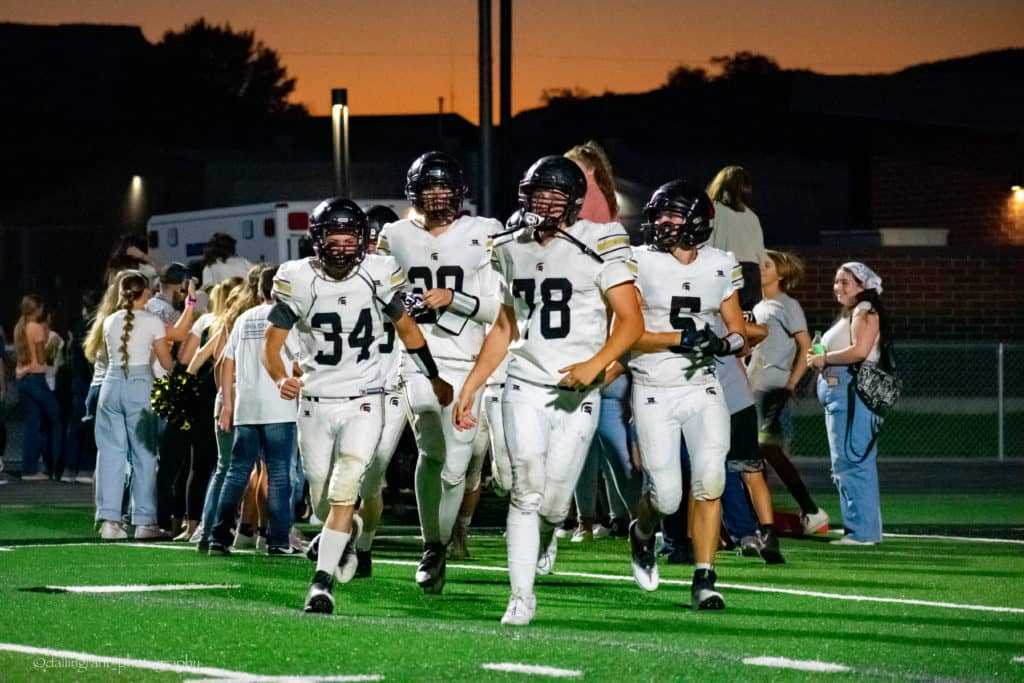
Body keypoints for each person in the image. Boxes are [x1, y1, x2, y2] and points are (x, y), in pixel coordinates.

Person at [454, 155, 644, 626]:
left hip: (577, 391)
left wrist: (596, 365)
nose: (543, 203)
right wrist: (473, 385)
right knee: (525, 489)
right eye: (537, 193)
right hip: (525, 382)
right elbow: (504, 325)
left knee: (556, 502)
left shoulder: (599, 242)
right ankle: (521, 596)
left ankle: (552, 529)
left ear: (574, 202)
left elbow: (632, 320)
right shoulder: (509, 247)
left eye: (554, 195)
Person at [266, 198, 452, 614]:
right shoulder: (296, 278)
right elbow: (273, 343)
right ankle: (345, 533)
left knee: (347, 488)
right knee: (320, 503)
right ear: (316, 238)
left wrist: (433, 374)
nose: (342, 245)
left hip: (367, 398)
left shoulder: (379, 274)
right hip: (315, 401)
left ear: (364, 240)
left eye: (350, 236)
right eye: (334, 235)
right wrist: (282, 377)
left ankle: (321, 583)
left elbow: (407, 326)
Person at [377, 152, 502, 594]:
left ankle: (441, 542)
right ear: (414, 192)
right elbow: (377, 297)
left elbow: (495, 310)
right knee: (432, 446)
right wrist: (396, 306)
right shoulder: (393, 235)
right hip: (416, 361)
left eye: (443, 186)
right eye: (427, 187)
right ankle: (432, 547)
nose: (436, 195)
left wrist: (454, 299)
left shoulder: (484, 233)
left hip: (467, 361)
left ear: (459, 190)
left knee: (456, 469)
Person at [627, 179, 747, 611]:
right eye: (658, 214)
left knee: (711, 479)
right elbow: (626, 335)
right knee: (666, 497)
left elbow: (738, 333)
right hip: (655, 386)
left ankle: (705, 578)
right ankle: (642, 533)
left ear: (696, 222)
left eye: (672, 215)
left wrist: (722, 345)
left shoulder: (719, 264)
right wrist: (679, 338)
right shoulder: (637, 261)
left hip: (702, 385)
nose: (662, 222)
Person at [564, 141, 641, 543]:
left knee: (601, 447)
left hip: (596, 350)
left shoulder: (589, 205)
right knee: (601, 449)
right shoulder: (609, 206)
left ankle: (599, 521)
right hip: (602, 349)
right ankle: (617, 520)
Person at [94, 271, 196, 540]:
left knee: (110, 456)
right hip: (140, 386)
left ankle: (109, 521)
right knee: (144, 456)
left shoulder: (110, 321)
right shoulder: (151, 321)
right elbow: (165, 362)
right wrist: (191, 304)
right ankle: (144, 522)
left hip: (111, 385)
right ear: (146, 293)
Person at [209, 265, 301, 556]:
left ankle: (218, 537)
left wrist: (227, 403)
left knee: (237, 474)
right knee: (279, 476)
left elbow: (226, 362)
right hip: (279, 407)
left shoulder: (244, 319)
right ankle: (277, 541)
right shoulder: (288, 318)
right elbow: (299, 362)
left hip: (247, 408)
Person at [806, 262, 889, 546]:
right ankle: (862, 528)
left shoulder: (864, 310)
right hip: (842, 394)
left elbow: (859, 351)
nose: (838, 287)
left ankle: (862, 532)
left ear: (862, 286)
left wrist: (824, 359)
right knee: (848, 461)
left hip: (851, 393)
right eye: (837, 281)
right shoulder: (854, 312)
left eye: (845, 282)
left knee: (852, 461)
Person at [750, 250, 828, 534]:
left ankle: (810, 509)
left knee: (767, 449)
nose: (761, 268)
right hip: (753, 387)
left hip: (773, 389)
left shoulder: (787, 305)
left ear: (780, 274)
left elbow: (805, 345)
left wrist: (791, 384)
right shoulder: (759, 304)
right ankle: (760, 513)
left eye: (767, 265)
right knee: (756, 452)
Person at [352, 205, 407, 577]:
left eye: (378, 241)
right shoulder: (343, 278)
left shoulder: (406, 278)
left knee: (371, 477)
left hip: (391, 385)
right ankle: (339, 534)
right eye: (369, 241)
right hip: (349, 386)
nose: (373, 248)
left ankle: (364, 545)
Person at [13, 294, 61, 480]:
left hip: (22, 378)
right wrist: (53, 344)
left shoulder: (20, 326)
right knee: (56, 418)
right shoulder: (37, 328)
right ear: (38, 309)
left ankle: (29, 469)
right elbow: (42, 359)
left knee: (31, 425)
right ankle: (56, 465)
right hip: (36, 378)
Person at [707, 166, 765, 312]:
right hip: (752, 274)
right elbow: (761, 255)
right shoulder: (752, 216)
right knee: (749, 323)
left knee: (724, 323)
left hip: (726, 269)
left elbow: (706, 245)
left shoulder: (713, 210)